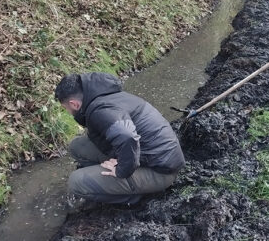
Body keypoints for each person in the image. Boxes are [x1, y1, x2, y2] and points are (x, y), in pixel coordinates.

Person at [55, 72, 185, 205]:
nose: (68, 113)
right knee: (77, 146)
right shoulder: (104, 95)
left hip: (160, 171)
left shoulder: (100, 110)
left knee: (76, 182)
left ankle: (133, 198)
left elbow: (127, 136)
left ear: (74, 104)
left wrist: (121, 170)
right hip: (147, 155)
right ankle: (106, 181)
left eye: (66, 108)